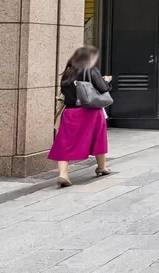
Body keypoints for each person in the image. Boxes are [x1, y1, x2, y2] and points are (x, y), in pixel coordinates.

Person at [48, 46, 112, 188]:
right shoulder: (91, 70)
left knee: (65, 142)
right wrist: (106, 80)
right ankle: (101, 167)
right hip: (91, 112)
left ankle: (63, 174)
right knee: (98, 137)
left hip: (71, 112)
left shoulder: (67, 73)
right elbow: (103, 88)